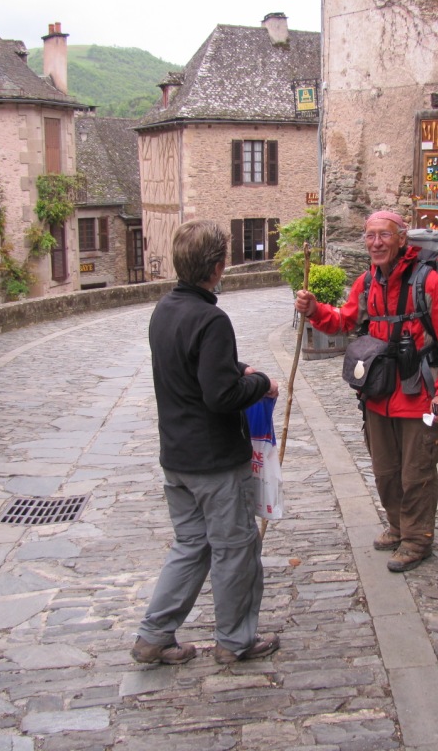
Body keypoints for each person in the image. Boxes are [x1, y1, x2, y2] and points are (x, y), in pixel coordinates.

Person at [132, 219, 281, 666]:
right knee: (236, 550)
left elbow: (192, 366)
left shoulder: (165, 309)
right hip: (215, 463)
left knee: (191, 544)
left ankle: (154, 635)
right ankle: (235, 641)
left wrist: (236, 369)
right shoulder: (212, 318)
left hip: (176, 458)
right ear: (218, 265)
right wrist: (262, 385)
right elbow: (220, 397)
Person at [295, 211, 438, 572]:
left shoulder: (429, 284)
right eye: (370, 236)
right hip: (377, 393)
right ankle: (397, 526)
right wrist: (315, 310)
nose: (376, 243)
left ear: (402, 239)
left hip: (418, 393)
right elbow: (344, 321)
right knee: (385, 471)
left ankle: (417, 539)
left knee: (416, 472)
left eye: (384, 235)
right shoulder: (367, 282)